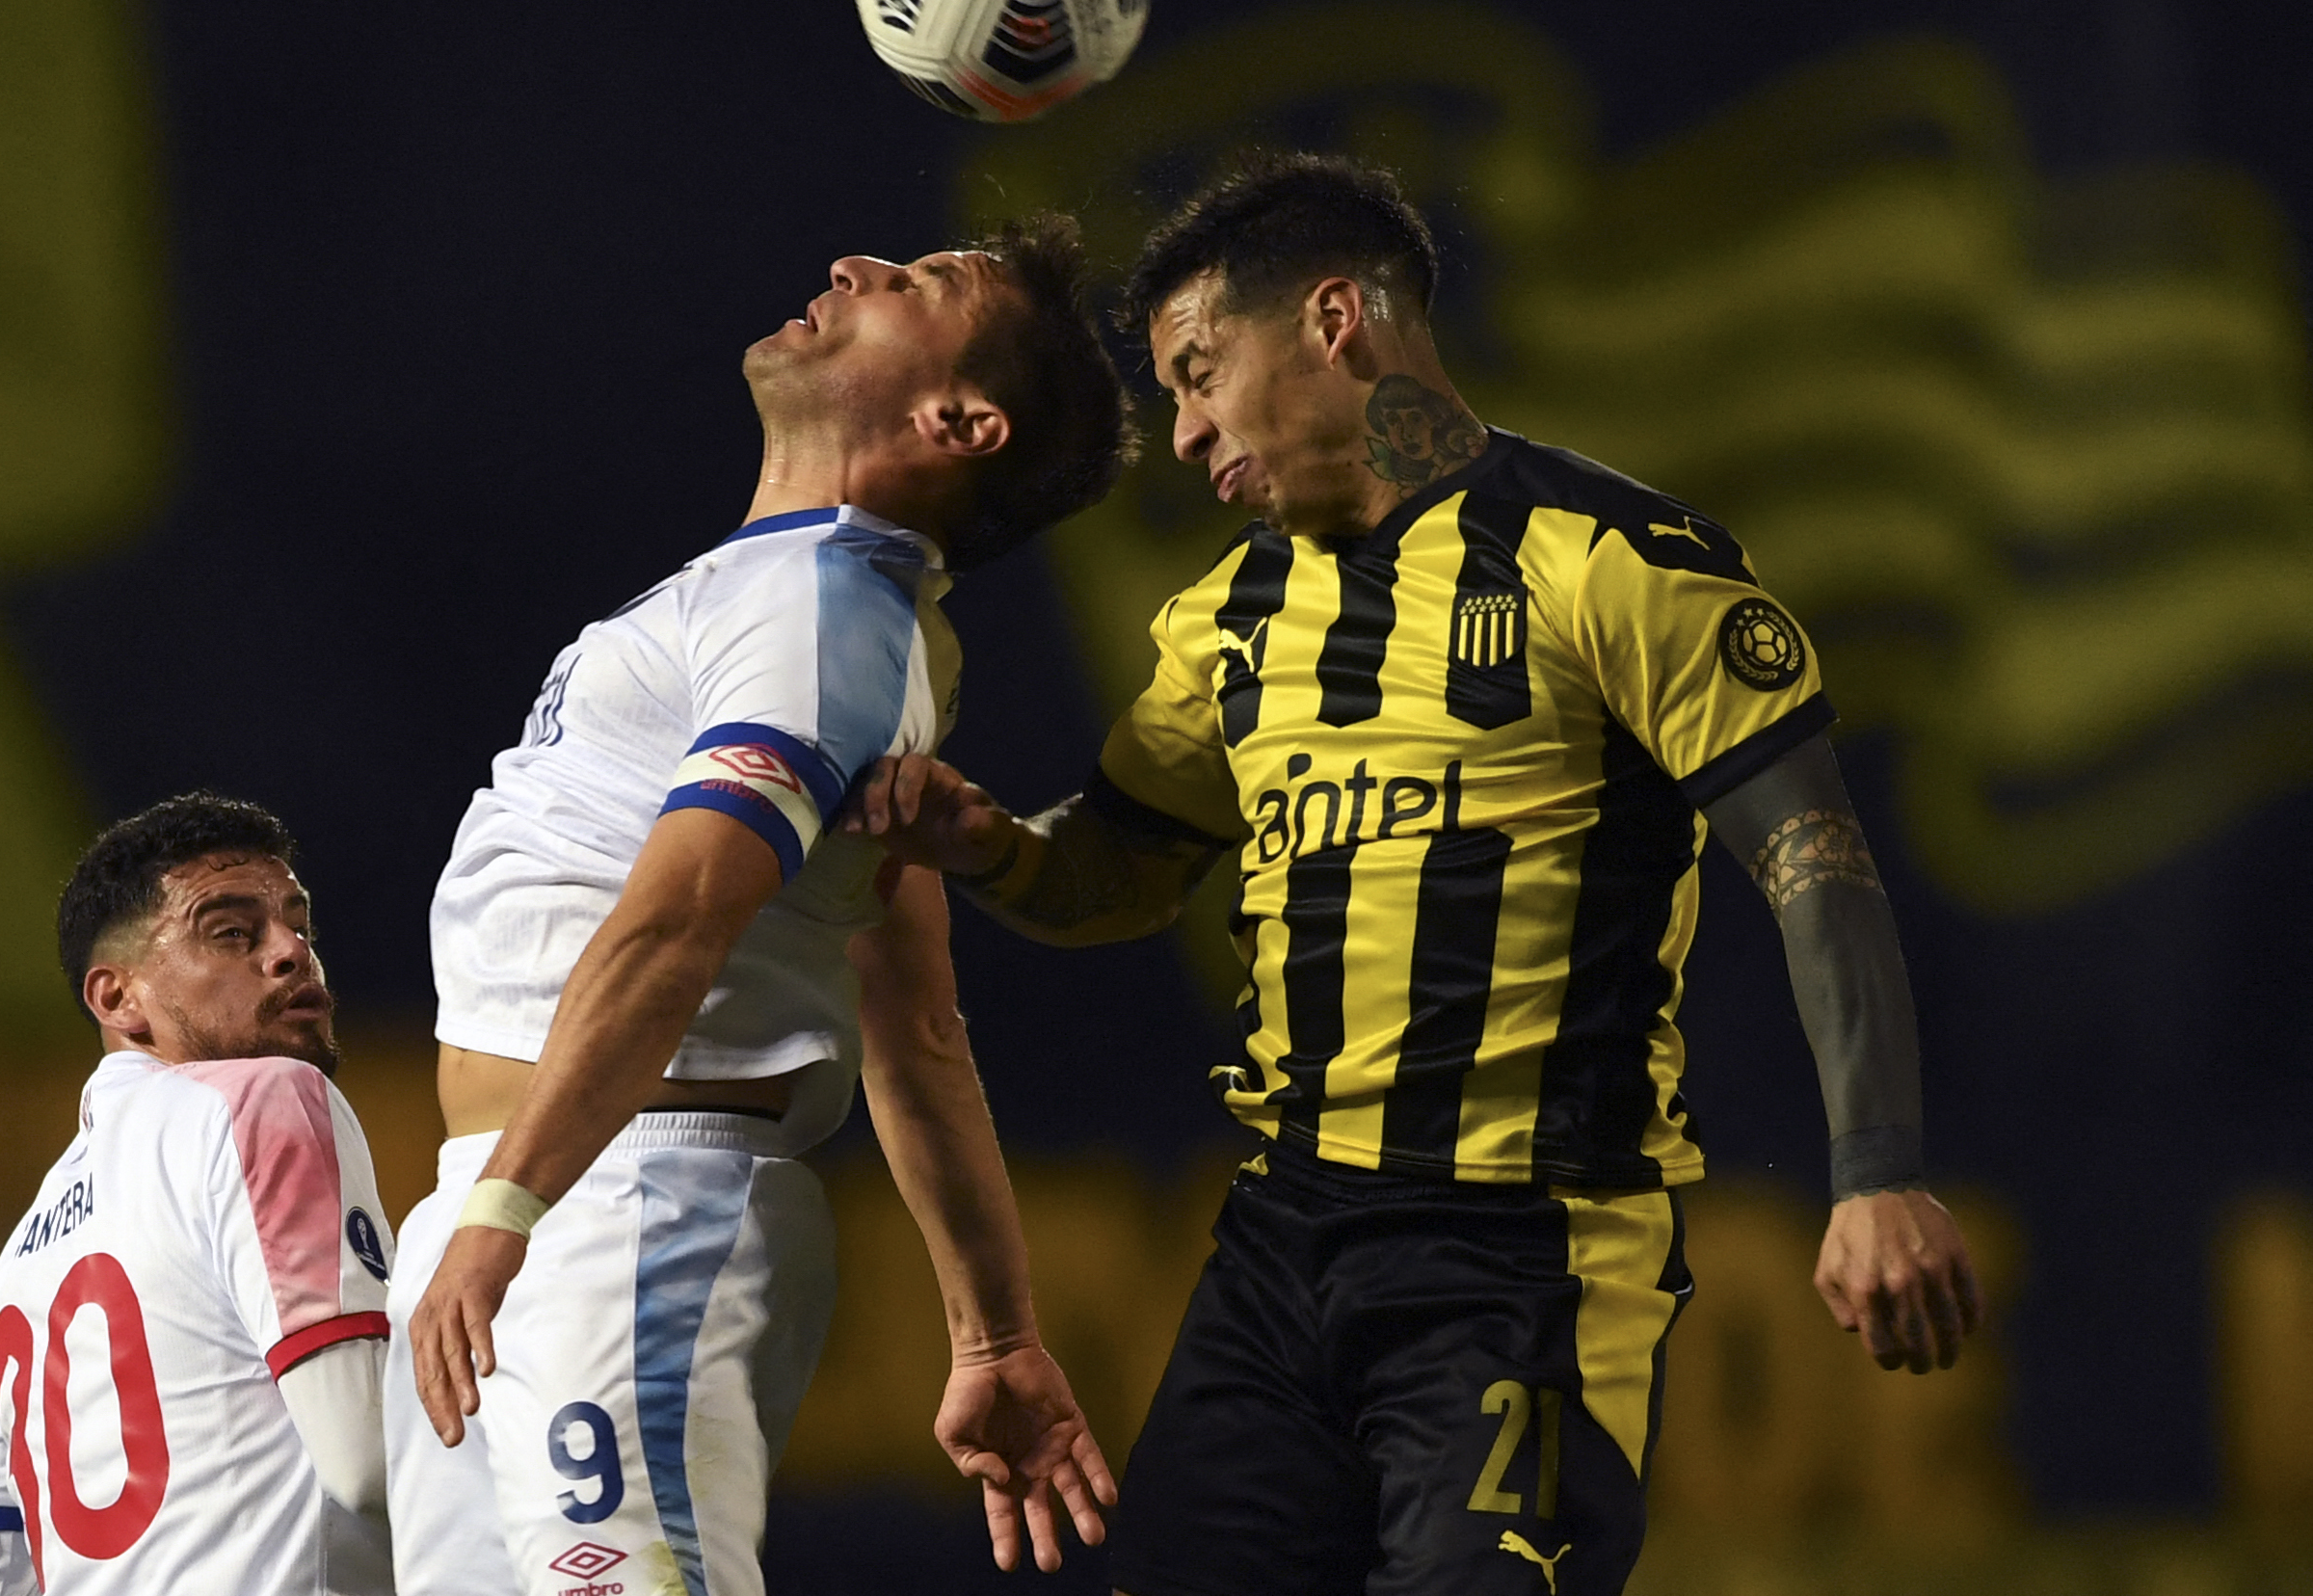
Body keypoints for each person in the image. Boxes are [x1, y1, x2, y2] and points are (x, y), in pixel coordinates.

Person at [843, 152, 1986, 1596]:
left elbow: (1814, 859)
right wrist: (991, 845)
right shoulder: (1229, 620)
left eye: (1200, 371)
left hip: (1524, 1262)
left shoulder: (1612, 560)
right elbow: (1120, 871)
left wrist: (1876, 1172)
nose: (1185, 435)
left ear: (1336, 319)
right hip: (1280, 1245)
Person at [391, 216, 1139, 1596]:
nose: (857, 265)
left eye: (916, 285)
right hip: (524, 1197)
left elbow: (678, 925)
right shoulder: (791, 601)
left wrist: (510, 1204)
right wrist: (988, 1334)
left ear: (959, 418)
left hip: (623, 1195)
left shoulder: (826, 611)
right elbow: (912, 1024)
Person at [0, 793, 395, 1596]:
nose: (290, 953)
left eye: (297, 923)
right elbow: (370, 1463)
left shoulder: (23, 1255)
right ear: (117, 998)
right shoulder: (263, 1100)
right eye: (232, 932)